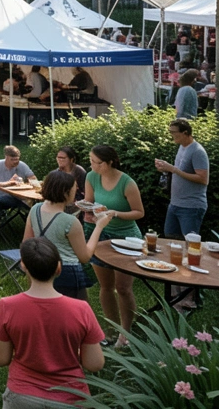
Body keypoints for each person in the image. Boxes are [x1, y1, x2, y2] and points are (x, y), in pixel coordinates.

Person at [0, 237, 106, 408]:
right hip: (71, 398)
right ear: (58, 268)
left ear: (24, 266)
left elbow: (0, 358)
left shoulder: (7, 306)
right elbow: (95, 364)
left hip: (22, 396)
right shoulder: (81, 309)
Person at [83, 144, 144, 349]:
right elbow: (90, 202)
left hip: (126, 238)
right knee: (106, 286)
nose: (91, 165)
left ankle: (126, 334)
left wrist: (115, 213)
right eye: (90, 160)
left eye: (96, 162)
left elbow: (138, 212)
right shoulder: (91, 177)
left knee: (123, 288)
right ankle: (111, 331)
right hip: (102, 234)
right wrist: (89, 213)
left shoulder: (127, 182)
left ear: (109, 163)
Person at [22, 170, 114, 301]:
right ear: (65, 193)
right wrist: (99, 226)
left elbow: (26, 243)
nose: (76, 190)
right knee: (78, 315)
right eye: (74, 188)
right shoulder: (70, 222)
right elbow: (85, 256)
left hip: (39, 268)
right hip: (66, 272)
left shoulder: (35, 209)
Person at [155, 118, 209, 239]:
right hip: (175, 204)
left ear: (185, 132)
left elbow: (203, 179)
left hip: (191, 207)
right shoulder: (182, 147)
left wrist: (173, 169)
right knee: (170, 239)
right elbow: (180, 172)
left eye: (173, 132)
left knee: (189, 243)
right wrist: (166, 169)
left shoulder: (197, 151)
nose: (171, 135)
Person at [0, 145, 35, 215]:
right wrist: (8, 184)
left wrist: (25, 184)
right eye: (12, 159)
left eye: (17, 160)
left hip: (14, 197)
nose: (15, 162)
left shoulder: (22, 165)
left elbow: (34, 180)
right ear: (6, 157)